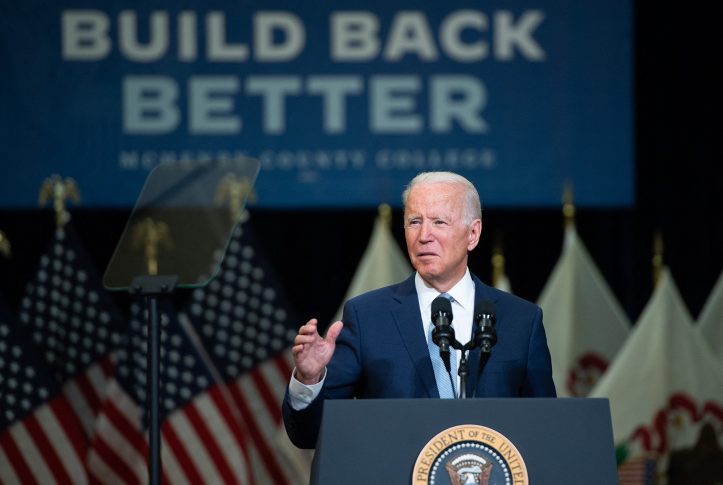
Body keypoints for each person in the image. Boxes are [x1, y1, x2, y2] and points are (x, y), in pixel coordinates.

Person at [282, 172, 556, 449]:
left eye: (439, 222)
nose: (424, 236)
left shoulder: (522, 321)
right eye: (415, 222)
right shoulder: (368, 317)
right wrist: (310, 379)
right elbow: (310, 434)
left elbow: (547, 431)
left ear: (473, 234)